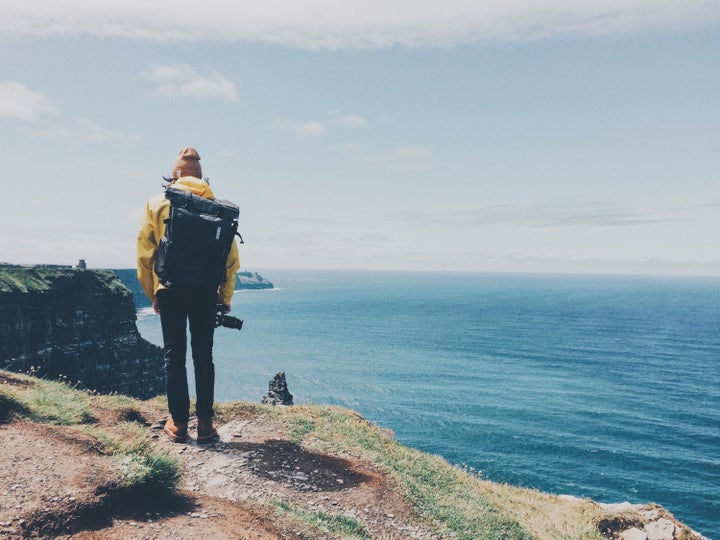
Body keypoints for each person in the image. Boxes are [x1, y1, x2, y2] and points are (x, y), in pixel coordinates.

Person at [137, 146, 240, 443]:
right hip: (206, 291)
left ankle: (179, 424)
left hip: (169, 289)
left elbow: (145, 255)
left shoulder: (158, 203)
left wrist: (153, 292)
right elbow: (230, 260)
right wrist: (225, 295)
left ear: (174, 176)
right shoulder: (218, 208)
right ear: (202, 177)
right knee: (203, 356)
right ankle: (206, 425)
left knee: (174, 355)